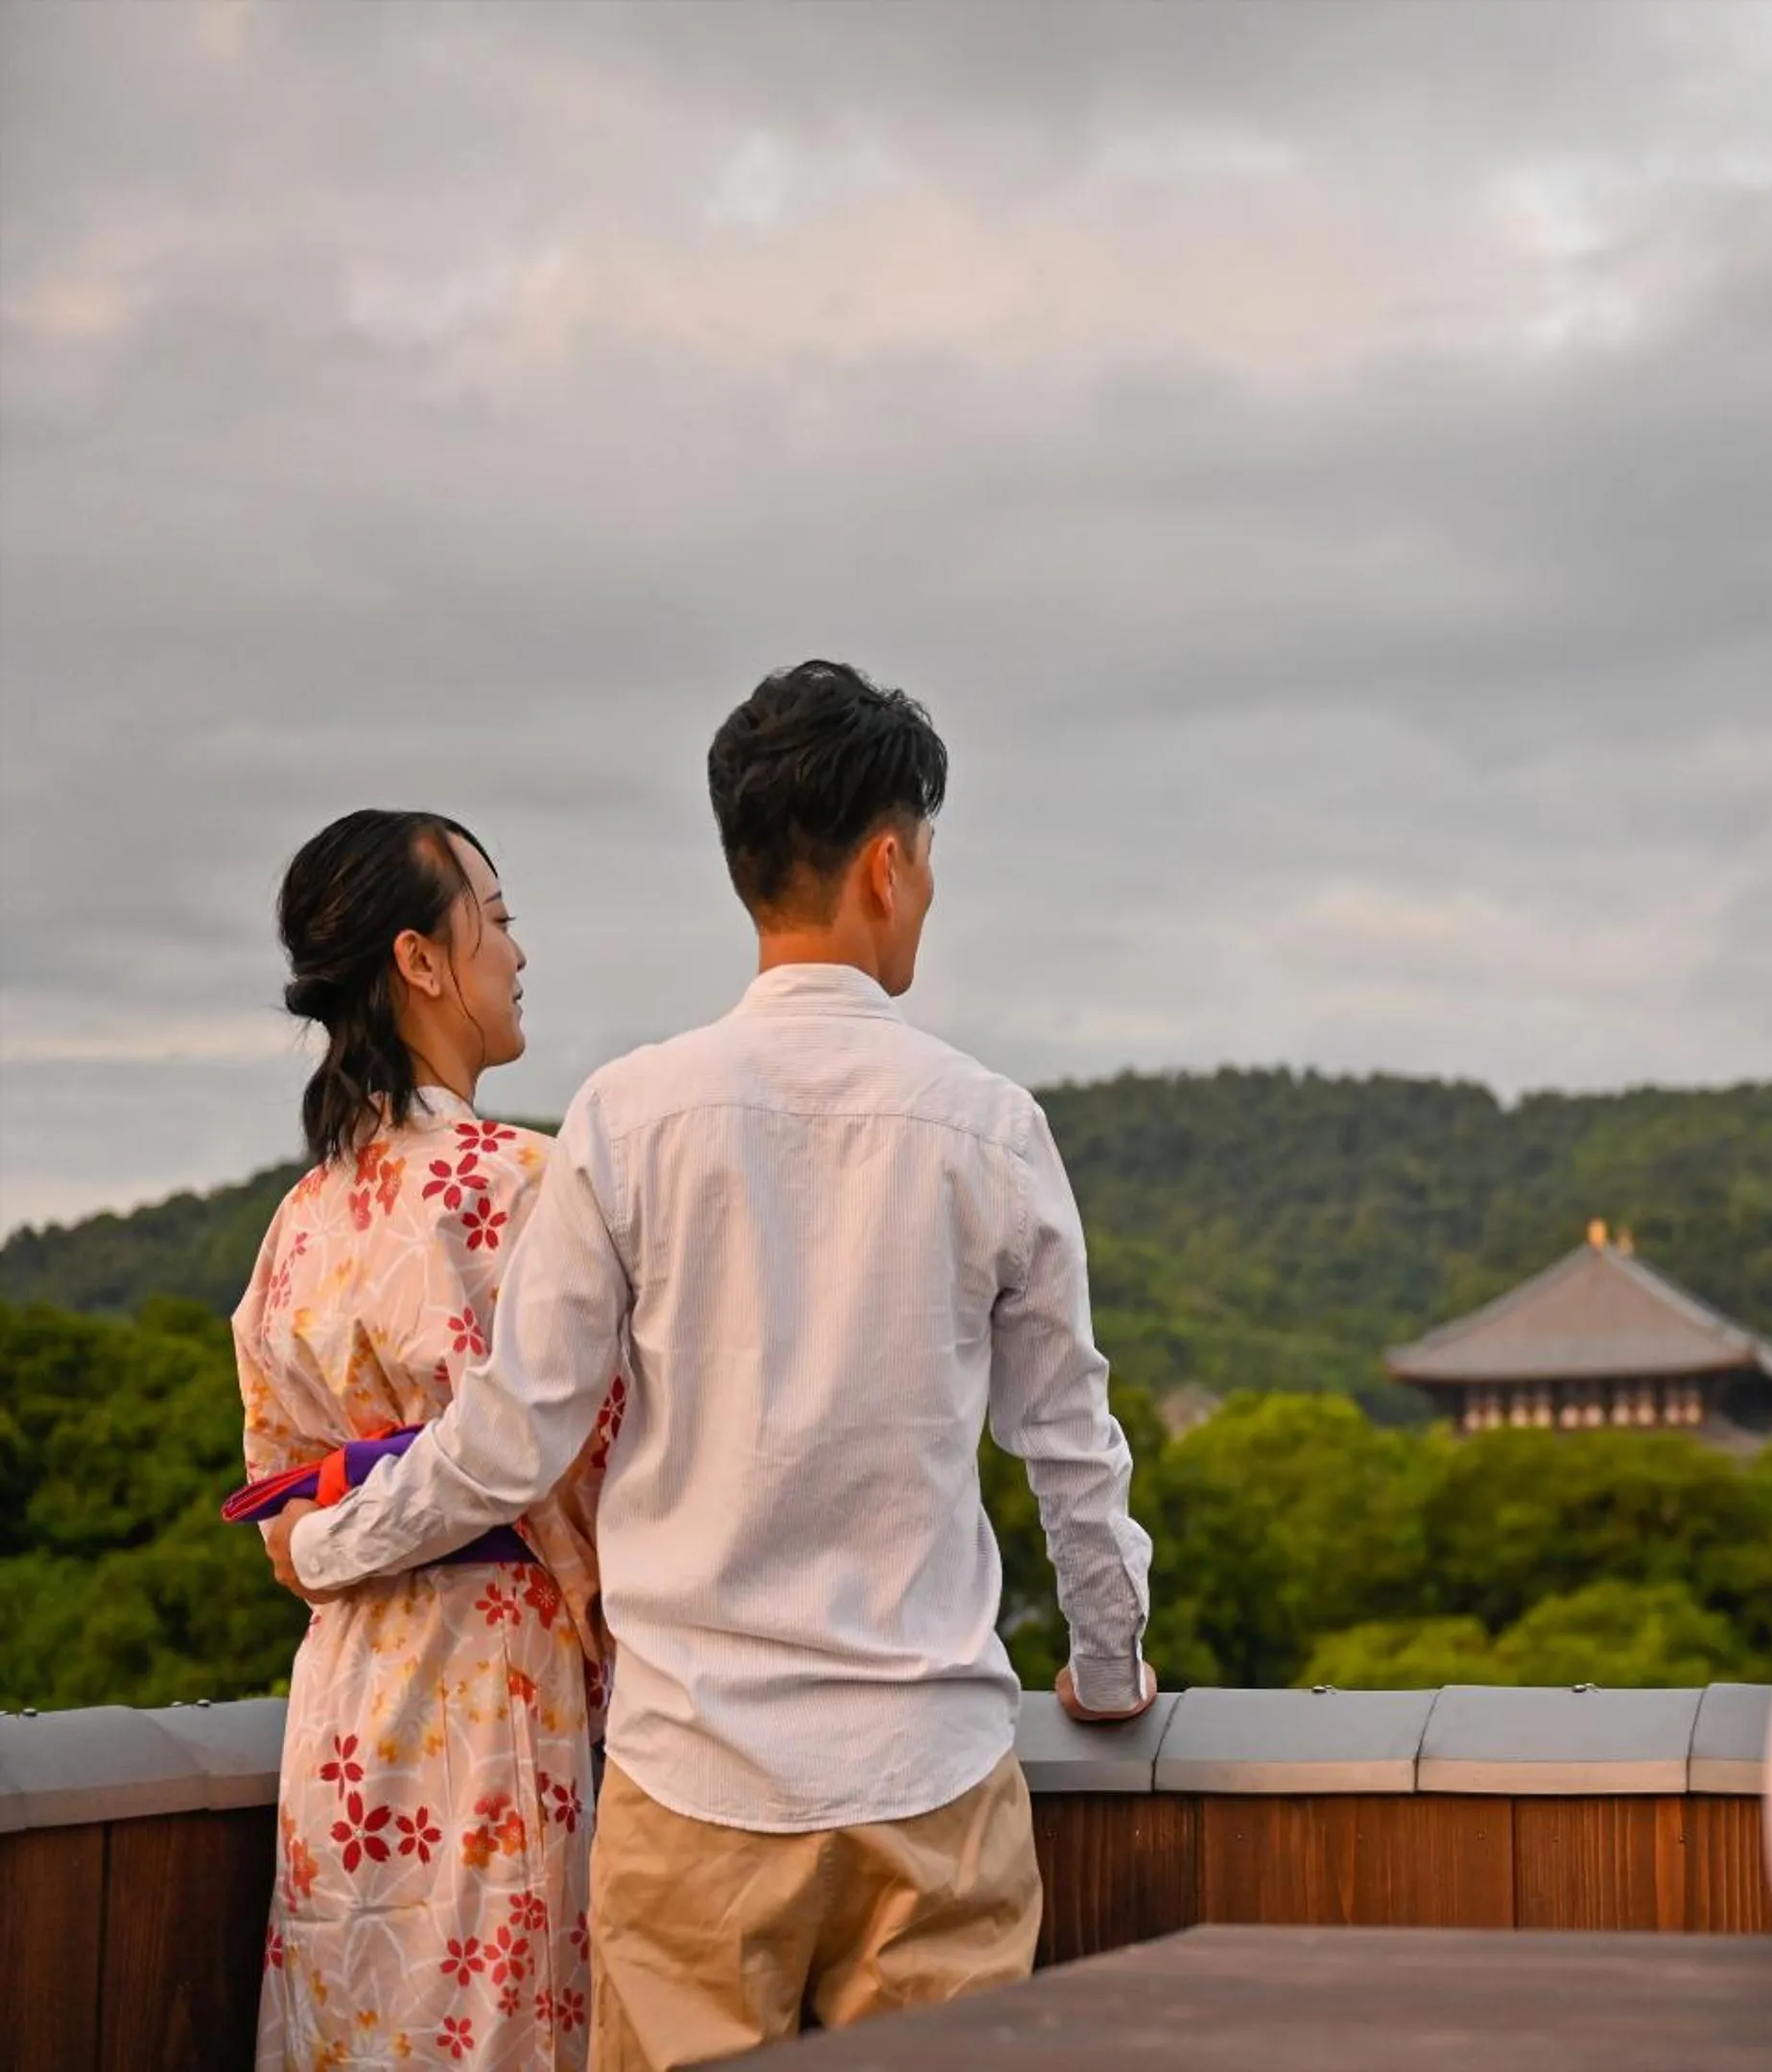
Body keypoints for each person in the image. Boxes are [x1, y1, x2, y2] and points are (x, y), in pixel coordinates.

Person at [267, 660, 1157, 2069]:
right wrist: (1108, 1664)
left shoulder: (629, 1117)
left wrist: (331, 1544)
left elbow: (511, 1441)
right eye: (923, 855)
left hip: (693, 1783)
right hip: (930, 1780)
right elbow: (1068, 1445)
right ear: (885, 862)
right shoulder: (993, 1128)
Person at [239, 810, 612, 2070]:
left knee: (355, 2027)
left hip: (344, 1698)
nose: (518, 951)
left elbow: (280, 1504)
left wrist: (331, 1539)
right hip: (498, 1684)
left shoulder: (301, 1217)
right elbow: (602, 1470)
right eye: (496, 919)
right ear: (422, 959)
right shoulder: (523, 1181)